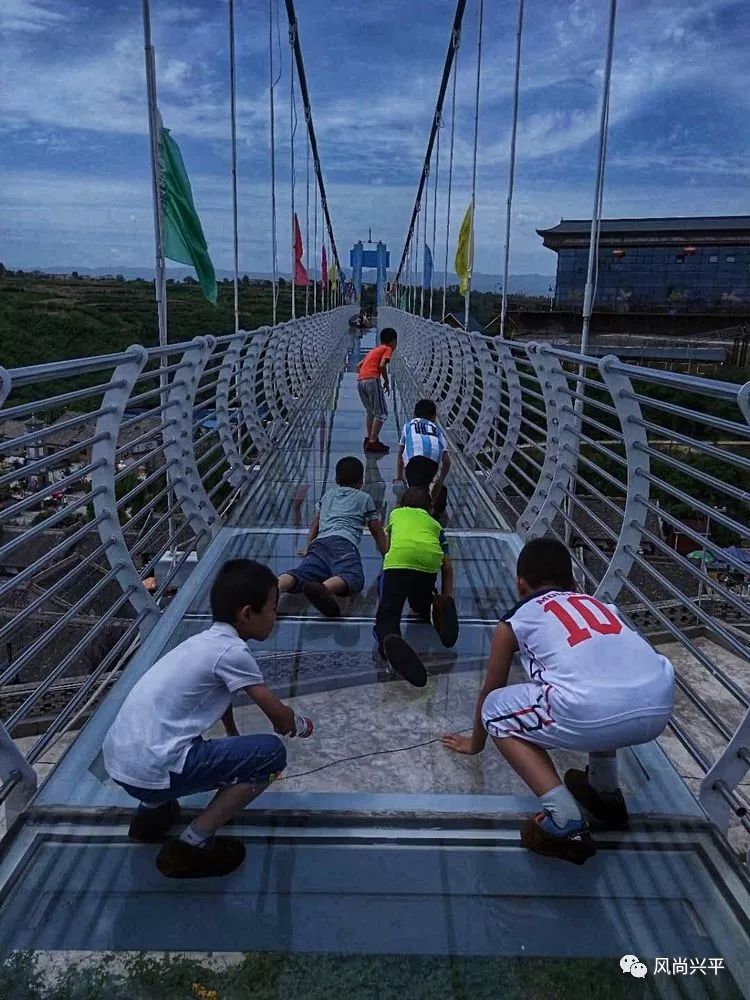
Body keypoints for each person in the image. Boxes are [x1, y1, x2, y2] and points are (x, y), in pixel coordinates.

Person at [442, 537, 675, 865]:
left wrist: (475, 743)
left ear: (520, 584)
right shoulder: (602, 607)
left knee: (497, 709)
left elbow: (491, 688)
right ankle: (604, 793)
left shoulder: (515, 619)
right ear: (573, 582)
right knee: (599, 679)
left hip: (591, 711)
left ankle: (565, 820)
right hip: (659, 702)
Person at [103, 559, 313, 879]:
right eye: (272, 608)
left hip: (122, 764)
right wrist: (298, 724)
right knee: (271, 756)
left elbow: (222, 696)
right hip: (153, 768)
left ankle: (151, 819)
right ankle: (192, 844)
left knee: (185, 741)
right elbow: (278, 717)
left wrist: (232, 732)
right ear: (246, 614)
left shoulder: (202, 643)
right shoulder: (233, 652)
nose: (276, 615)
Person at [278, 456, 388, 617]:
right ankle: (324, 589)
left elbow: (315, 522)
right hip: (343, 544)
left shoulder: (327, 495)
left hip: (319, 544)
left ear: (336, 479)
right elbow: (376, 530)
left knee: (303, 573)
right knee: (353, 577)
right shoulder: (364, 498)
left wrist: (309, 546)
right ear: (361, 481)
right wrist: (387, 554)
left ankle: (277, 586)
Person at [374, 486, 459, 687]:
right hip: (428, 564)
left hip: (399, 563)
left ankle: (390, 639)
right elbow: (447, 567)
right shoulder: (435, 525)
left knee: (389, 611)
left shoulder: (396, 515)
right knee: (421, 602)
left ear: (401, 505)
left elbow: (387, 547)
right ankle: (434, 608)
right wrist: (448, 599)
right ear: (430, 509)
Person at [394, 399, 451, 515]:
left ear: (414, 415)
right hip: (433, 461)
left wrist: (400, 476)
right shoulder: (437, 430)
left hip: (413, 460)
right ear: (434, 417)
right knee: (424, 486)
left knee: (413, 490)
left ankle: (414, 511)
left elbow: (400, 453)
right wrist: (440, 480)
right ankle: (431, 505)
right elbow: (447, 461)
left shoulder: (408, 425)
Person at [356, 327, 397, 454]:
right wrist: (385, 380)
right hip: (372, 380)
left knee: (371, 412)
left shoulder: (374, 350)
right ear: (393, 341)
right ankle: (373, 443)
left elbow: (358, 366)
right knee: (382, 413)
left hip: (360, 380)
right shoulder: (387, 349)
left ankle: (369, 439)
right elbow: (382, 365)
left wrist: (365, 376)